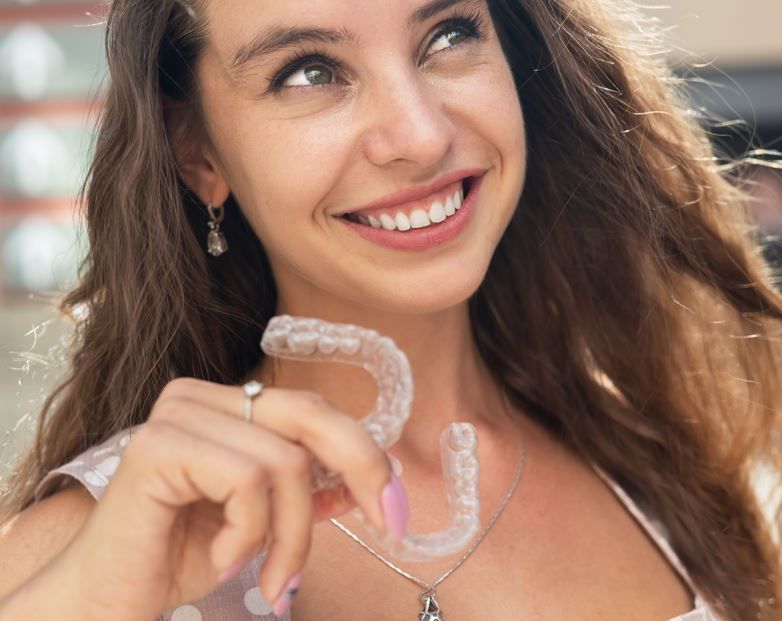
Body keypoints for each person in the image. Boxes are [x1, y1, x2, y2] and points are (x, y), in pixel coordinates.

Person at [0, 0, 780, 619]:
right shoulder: (96, 543)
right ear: (197, 151)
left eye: (447, 33)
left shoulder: (677, 462)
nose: (419, 135)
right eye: (309, 72)